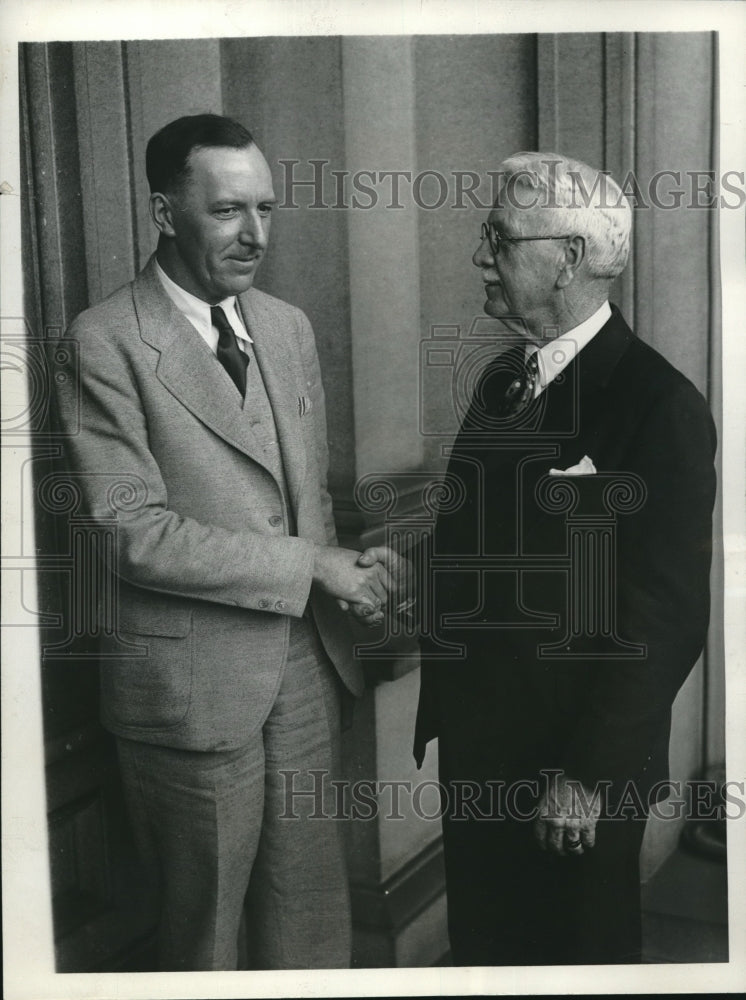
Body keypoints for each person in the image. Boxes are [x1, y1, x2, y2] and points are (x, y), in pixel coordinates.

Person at [53, 114, 398, 971]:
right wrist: (312, 566)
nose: (255, 235)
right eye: (227, 211)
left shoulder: (286, 326)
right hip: (189, 692)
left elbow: (305, 498)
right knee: (204, 941)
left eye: (266, 209)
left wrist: (352, 572)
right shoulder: (103, 341)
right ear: (164, 213)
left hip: (307, 670)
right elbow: (132, 532)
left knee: (311, 922)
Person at [406, 152, 717, 965]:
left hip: (571, 772)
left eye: (499, 237)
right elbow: (481, 544)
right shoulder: (502, 381)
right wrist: (404, 583)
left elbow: (665, 621)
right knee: (485, 956)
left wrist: (586, 775)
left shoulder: (659, 405)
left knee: (576, 960)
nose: (480, 256)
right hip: (478, 749)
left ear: (569, 258)